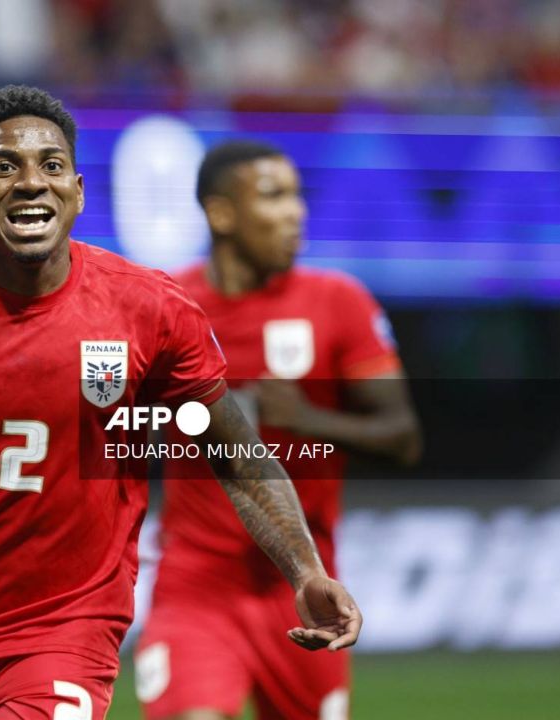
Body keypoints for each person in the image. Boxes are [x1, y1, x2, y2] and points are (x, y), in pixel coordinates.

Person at [0, 86, 362, 720]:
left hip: (68, 634)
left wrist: (305, 570)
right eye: (4, 167)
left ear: (76, 190)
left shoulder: (150, 310)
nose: (31, 183)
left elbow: (238, 456)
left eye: (51, 166)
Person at [136, 140, 422, 720]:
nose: (296, 211)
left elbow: (402, 437)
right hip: (197, 585)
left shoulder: (337, 302)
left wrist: (307, 419)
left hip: (305, 590)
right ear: (221, 214)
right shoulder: (167, 304)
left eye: (296, 195)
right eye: (273, 196)